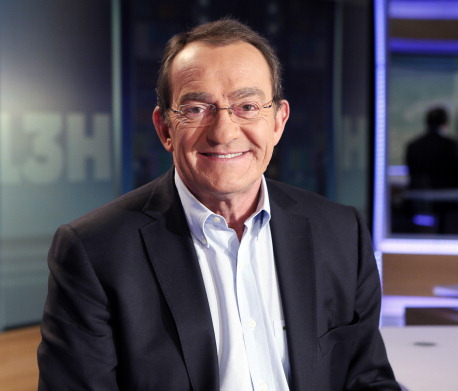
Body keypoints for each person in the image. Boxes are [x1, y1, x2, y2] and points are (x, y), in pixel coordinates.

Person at [38, 18, 400, 391]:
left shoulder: (340, 232)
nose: (224, 132)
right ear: (164, 128)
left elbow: (366, 378)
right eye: (196, 109)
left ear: (278, 121)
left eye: (246, 106)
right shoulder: (95, 250)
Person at [406, 106, 458, 190]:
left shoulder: (413, 146)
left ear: (427, 122)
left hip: (419, 199)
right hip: (448, 199)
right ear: (446, 123)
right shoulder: (452, 145)